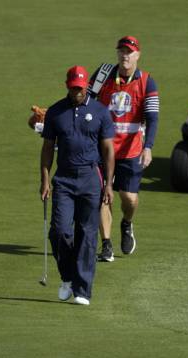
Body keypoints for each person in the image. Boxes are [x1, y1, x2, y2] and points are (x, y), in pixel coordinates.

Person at [40, 65, 115, 305]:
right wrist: (44, 179)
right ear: (68, 86)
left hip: (90, 177)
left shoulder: (100, 112)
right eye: (74, 88)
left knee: (87, 234)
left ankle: (83, 290)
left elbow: (108, 150)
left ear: (86, 87)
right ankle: (67, 277)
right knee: (60, 231)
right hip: (63, 178)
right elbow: (47, 147)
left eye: (81, 88)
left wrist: (110, 185)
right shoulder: (55, 112)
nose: (78, 92)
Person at [88, 36, 160, 262]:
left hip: (131, 149)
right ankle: (106, 244)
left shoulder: (147, 82)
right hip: (103, 148)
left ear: (138, 55)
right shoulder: (103, 75)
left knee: (128, 198)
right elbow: (85, 100)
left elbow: (152, 117)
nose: (125, 55)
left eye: (129, 52)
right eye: (121, 51)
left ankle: (127, 223)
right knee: (102, 196)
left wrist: (148, 148)